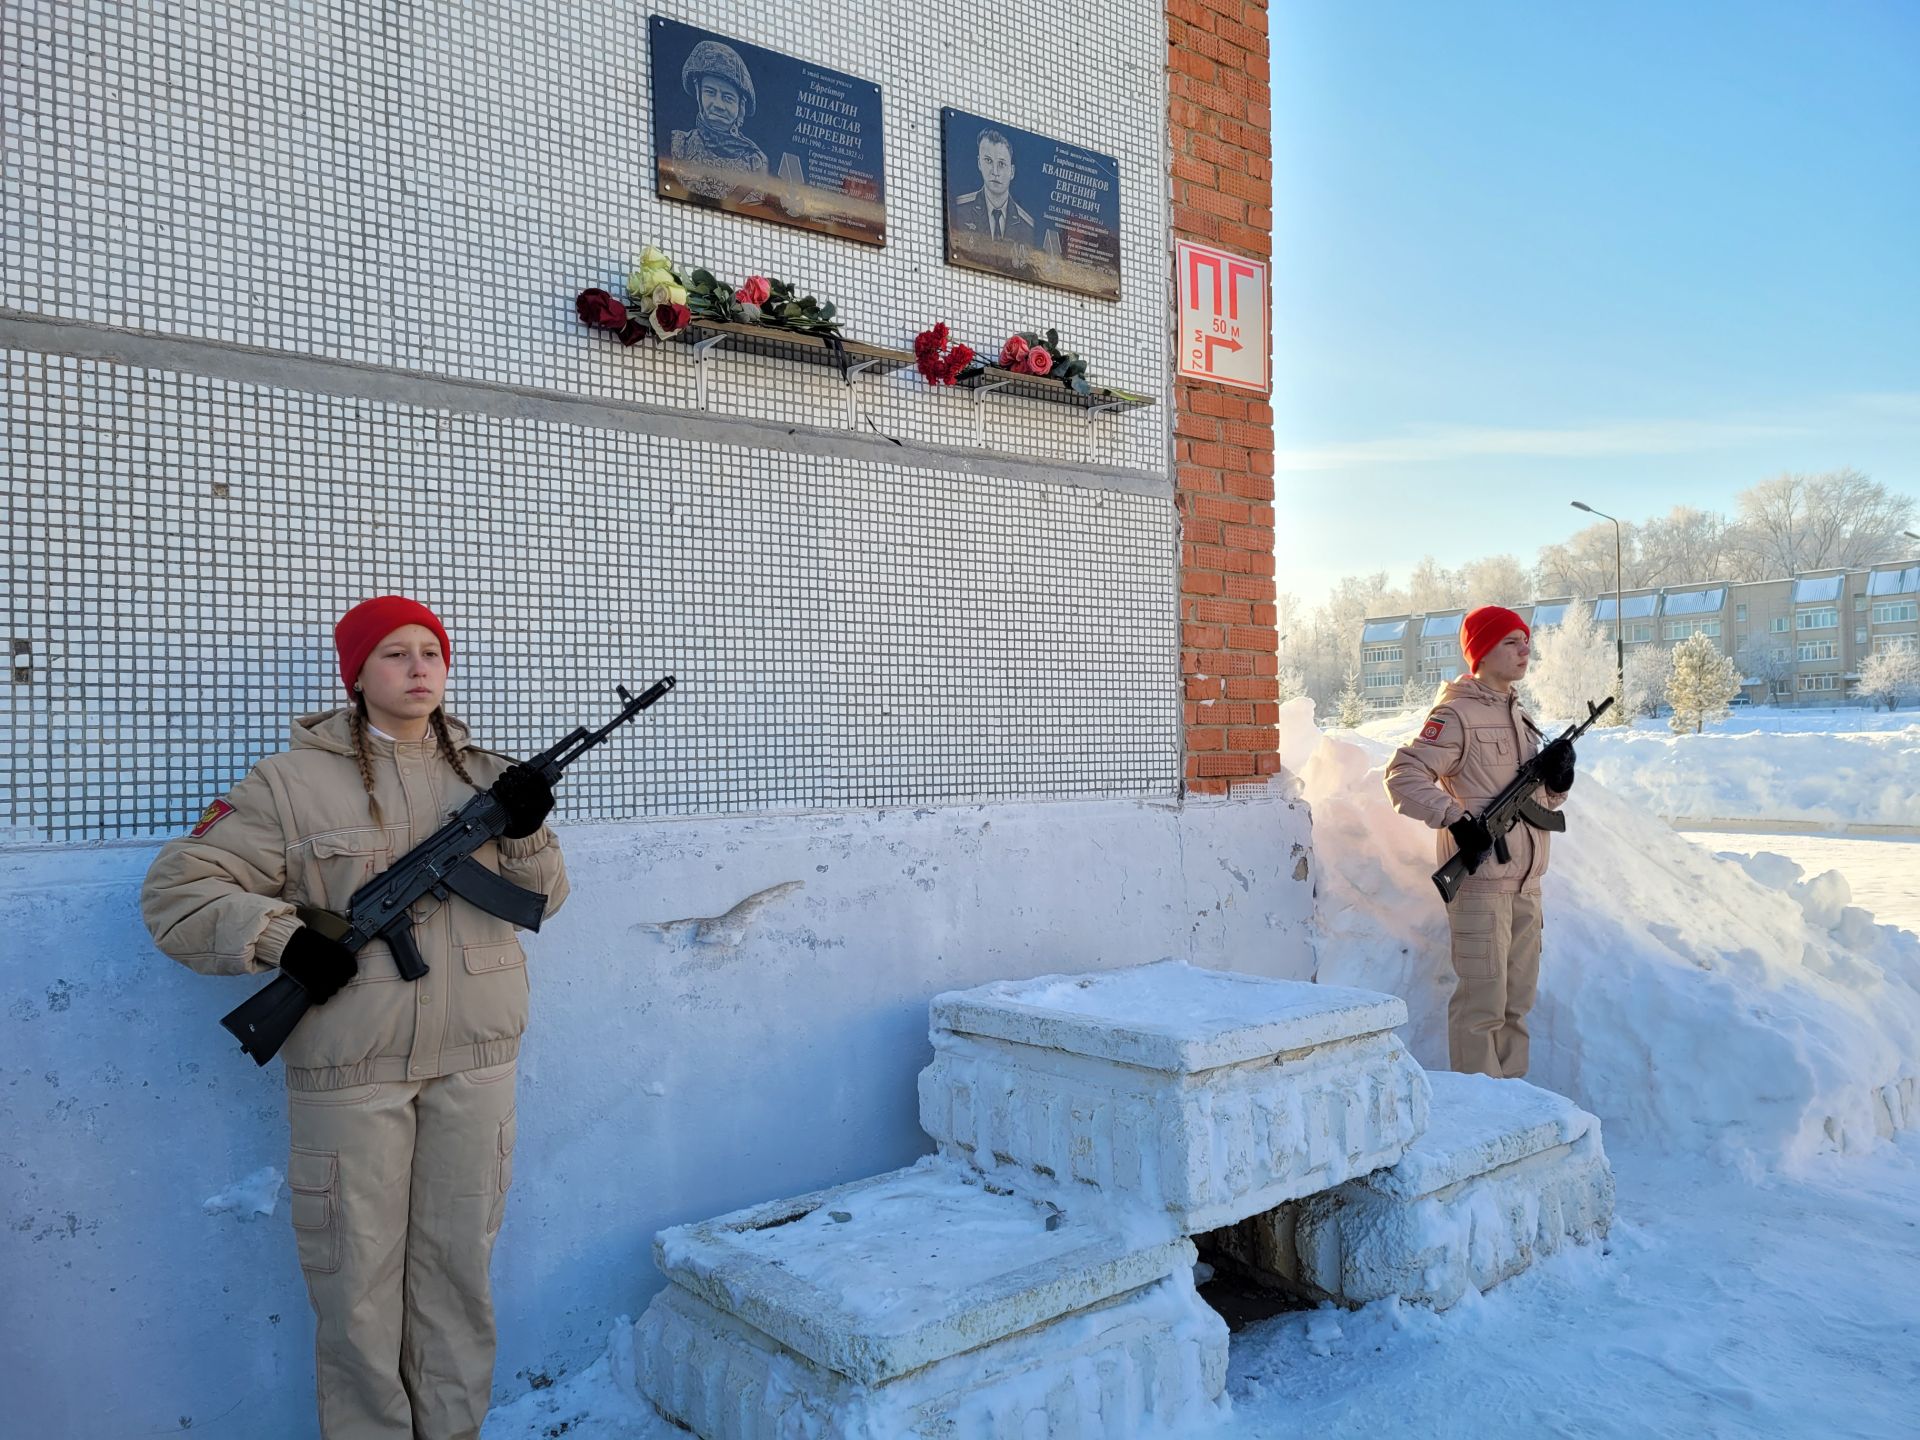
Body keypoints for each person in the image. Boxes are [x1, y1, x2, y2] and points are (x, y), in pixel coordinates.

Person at [140, 596, 569, 1440]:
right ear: (356, 674)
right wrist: (281, 939)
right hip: (350, 1071)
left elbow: (545, 901)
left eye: (431, 654)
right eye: (394, 655)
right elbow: (177, 894)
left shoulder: (492, 778)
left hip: (475, 1066)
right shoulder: (289, 784)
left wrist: (526, 832)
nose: (418, 670)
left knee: (458, 1278)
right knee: (356, 1290)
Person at [1384, 605, 1577, 1079]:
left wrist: (1558, 780)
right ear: (1482, 651)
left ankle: (1515, 1106)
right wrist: (1456, 819)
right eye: (1511, 642)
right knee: (1482, 1006)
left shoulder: (1522, 717)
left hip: (1526, 886)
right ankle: (1482, 1116)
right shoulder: (1456, 715)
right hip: (1483, 885)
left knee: (1517, 1005)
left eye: (1525, 641)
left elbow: (1542, 803)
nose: (1524, 650)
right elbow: (1403, 776)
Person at [669, 39, 768, 204]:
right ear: (699, 94)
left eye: (728, 98)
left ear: (740, 106)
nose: (718, 105)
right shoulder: (678, 145)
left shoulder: (756, 163)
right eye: (710, 92)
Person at [950, 127, 1037, 249]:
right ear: (979, 163)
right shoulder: (960, 210)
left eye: (1001, 164)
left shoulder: (1027, 227)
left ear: (1012, 172)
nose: (995, 172)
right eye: (988, 161)